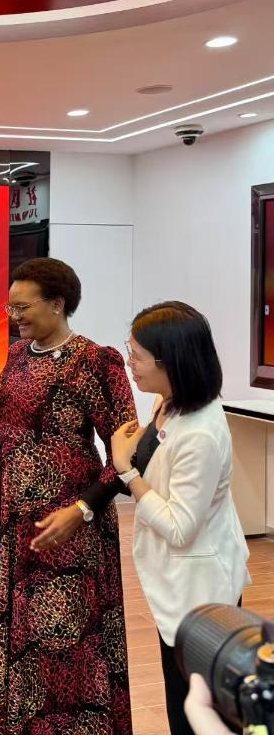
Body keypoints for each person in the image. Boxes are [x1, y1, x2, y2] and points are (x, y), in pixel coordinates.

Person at [0, 257, 135, 735]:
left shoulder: (96, 361)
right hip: (12, 527)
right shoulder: (18, 355)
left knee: (68, 638)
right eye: (10, 307)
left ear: (57, 304)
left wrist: (82, 510)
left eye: (22, 307)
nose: (14, 316)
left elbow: (128, 455)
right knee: (21, 636)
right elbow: (10, 435)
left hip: (69, 529)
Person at [110, 301, 250, 735]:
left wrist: (127, 471)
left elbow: (178, 527)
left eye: (136, 356)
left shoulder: (201, 433)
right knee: (181, 699)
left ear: (168, 362)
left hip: (200, 592)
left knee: (200, 712)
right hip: (177, 588)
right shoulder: (169, 403)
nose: (130, 364)